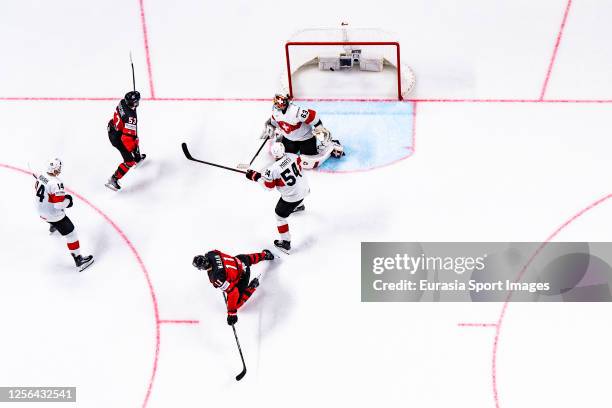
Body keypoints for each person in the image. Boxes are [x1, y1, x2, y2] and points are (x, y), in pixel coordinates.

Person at [246, 142, 309, 253]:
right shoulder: (293, 156)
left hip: (292, 197)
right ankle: (299, 206)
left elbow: (269, 187)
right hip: (305, 190)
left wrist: (256, 177)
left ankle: (286, 243)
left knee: (279, 216)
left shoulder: (272, 170)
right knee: (295, 190)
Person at [33, 158, 94, 271]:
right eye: (58, 168)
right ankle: (78, 260)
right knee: (71, 234)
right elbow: (59, 205)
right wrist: (69, 201)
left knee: (50, 210)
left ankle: (53, 225)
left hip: (40, 212)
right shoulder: (56, 183)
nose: (60, 169)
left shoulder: (41, 175)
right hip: (52, 214)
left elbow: (35, 174)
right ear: (54, 169)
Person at [262, 93, 344, 169]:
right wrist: (270, 126)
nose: (282, 106)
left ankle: (332, 144)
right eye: (279, 105)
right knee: (286, 155)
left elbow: (313, 117)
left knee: (308, 160)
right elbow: (274, 122)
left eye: (283, 103)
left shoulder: (297, 111)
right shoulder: (275, 112)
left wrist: (319, 128)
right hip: (289, 139)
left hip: (305, 138)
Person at [192, 249, 274, 325]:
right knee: (248, 259)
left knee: (236, 304)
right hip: (240, 259)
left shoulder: (217, 278)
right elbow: (221, 262)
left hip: (244, 275)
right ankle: (265, 255)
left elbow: (233, 292)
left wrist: (232, 313)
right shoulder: (211, 253)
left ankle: (252, 286)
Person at [105, 91, 146, 191]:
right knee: (129, 161)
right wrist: (134, 147)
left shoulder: (123, 102)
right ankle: (113, 179)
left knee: (134, 138)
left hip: (113, 129)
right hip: (118, 138)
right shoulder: (131, 117)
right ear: (134, 103)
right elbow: (127, 139)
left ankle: (137, 158)